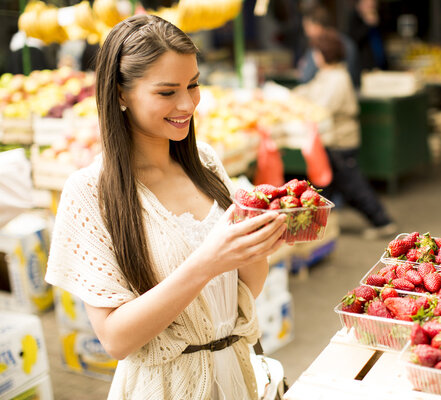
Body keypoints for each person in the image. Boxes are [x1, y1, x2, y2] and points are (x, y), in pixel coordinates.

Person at [45, 14, 287, 400]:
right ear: (120, 94)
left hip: (238, 377)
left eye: (193, 85)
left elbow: (248, 290)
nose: (187, 103)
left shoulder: (205, 162)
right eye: (166, 92)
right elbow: (115, 340)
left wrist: (257, 242)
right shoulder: (90, 192)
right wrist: (207, 261)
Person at [293, 29, 396, 239]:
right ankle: (315, 229)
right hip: (331, 141)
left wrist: (301, 108)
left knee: (352, 186)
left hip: (341, 141)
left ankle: (382, 221)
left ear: (323, 54)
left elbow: (323, 107)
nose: (314, 56)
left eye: (316, 51)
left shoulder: (338, 78)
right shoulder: (327, 75)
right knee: (325, 186)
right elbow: (309, 91)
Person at [298, 4, 361, 89]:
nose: (306, 33)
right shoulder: (345, 43)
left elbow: (306, 77)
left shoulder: (344, 46)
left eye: (307, 27)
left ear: (318, 25)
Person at [347, 0, 388, 73]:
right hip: (365, 68)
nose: (371, 7)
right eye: (368, 4)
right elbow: (353, 41)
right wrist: (367, 25)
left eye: (373, 4)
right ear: (359, 6)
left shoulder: (379, 16)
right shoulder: (354, 19)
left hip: (381, 65)